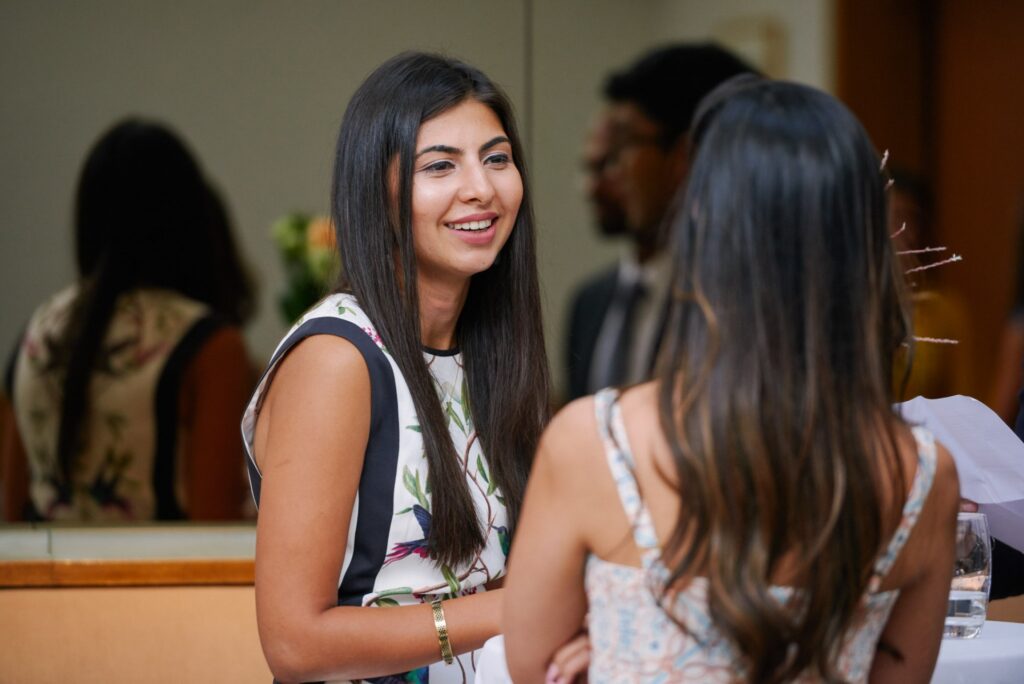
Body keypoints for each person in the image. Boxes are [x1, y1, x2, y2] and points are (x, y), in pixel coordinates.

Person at [505, 78, 960, 683]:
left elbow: (535, 668)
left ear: (701, 227)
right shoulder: (923, 476)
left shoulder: (594, 442)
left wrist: (611, 647)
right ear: (862, 242)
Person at [241, 52, 549, 682]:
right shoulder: (339, 358)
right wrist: (515, 610)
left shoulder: (487, 350)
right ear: (374, 190)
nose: (481, 189)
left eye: (496, 158)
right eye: (440, 166)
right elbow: (294, 644)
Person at [2, 119, 255, 522]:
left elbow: (11, 509)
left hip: (40, 579)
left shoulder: (40, 328)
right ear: (190, 217)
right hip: (159, 580)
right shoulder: (209, 346)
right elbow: (214, 525)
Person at [565, 44, 755, 401]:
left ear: (684, 157)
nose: (615, 166)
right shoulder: (589, 303)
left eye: (626, 143)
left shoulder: (731, 305)